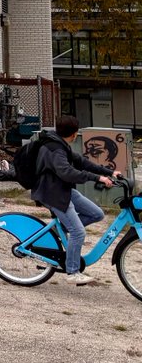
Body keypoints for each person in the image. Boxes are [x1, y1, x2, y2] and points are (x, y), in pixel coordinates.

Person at [32, 115, 121, 285]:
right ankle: (72, 271)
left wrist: (108, 172)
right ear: (74, 134)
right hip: (52, 193)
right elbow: (67, 172)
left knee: (96, 214)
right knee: (78, 232)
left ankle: (58, 232)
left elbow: (81, 162)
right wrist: (98, 179)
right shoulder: (55, 149)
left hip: (63, 190)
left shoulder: (60, 144)